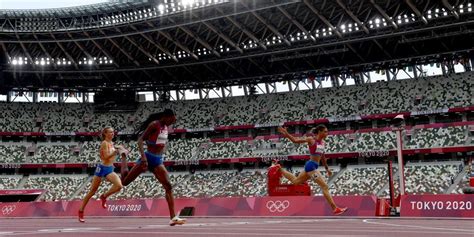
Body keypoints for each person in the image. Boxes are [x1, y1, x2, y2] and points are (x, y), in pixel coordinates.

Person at [121, 109, 186, 226]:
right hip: (148, 157)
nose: (173, 122)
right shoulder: (154, 124)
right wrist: (143, 158)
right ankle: (123, 155)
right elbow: (140, 140)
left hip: (157, 160)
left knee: (168, 186)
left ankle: (173, 217)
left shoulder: (166, 127)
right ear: (166, 117)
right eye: (172, 119)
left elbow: (159, 142)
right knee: (125, 182)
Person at [275, 125, 347, 215]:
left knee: (295, 181)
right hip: (311, 167)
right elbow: (295, 140)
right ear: (319, 132)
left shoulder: (323, 143)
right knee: (324, 186)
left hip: (313, 167)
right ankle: (335, 209)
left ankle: (279, 168)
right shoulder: (311, 140)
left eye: (327, 131)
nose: (327, 133)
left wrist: (327, 169)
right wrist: (286, 133)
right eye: (325, 131)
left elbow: (323, 157)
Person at [78, 127, 124, 222]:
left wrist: (120, 149)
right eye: (110, 132)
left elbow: (113, 153)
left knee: (119, 186)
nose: (112, 133)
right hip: (102, 168)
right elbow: (105, 157)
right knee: (92, 191)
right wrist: (115, 151)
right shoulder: (104, 143)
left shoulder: (112, 143)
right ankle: (81, 211)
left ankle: (104, 196)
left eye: (113, 132)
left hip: (110, 168)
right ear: (105, 134)